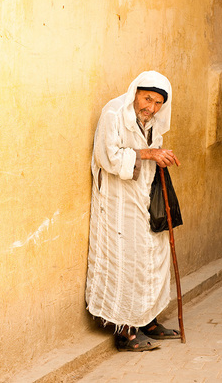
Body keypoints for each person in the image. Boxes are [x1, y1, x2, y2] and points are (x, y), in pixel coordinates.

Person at [85, 70, 181, 352]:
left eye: (157, 103)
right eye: (147, 98)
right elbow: (108, 156)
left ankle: (148, 320)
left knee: (152, 256)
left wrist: (160, 157)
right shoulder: (114, 114)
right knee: (124, 259)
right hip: (118, 202)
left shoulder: (153, 120)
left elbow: (152, 149)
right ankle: (124, 329)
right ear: (135, 93)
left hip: (144, 197)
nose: (150, 107)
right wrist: (149, 154)